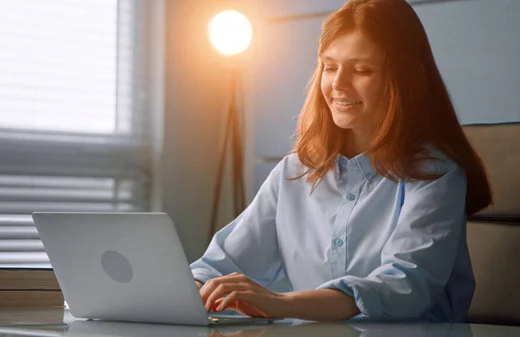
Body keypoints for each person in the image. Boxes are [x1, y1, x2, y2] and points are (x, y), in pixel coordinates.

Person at [190, 0, 492, 322]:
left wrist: (283, 304)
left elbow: (403, 286)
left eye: (361, 70)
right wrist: (193, 289)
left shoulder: (435, 175)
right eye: (330, 67)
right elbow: (219, 266)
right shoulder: (294, 171)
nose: (338, 84)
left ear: (403, 79)